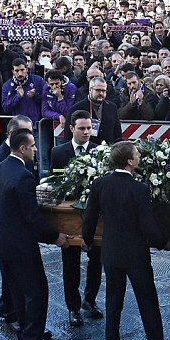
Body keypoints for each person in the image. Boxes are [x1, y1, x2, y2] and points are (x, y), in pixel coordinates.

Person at [82, 141, 170, 340]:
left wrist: (87, 241)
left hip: (111, 253)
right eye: (137, 155)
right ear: (130, 161)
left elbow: (89, 217)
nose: (140, 157)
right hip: (136, 256)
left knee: (113, 304)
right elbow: (147, 225)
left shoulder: (100, 184)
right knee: (148, 303)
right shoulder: (139, 189)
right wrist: (163, 243)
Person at [0, 129, 68, 340]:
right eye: (32, 146)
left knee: (18, 290)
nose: (35, 149)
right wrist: (54, 236)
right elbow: (31, 216)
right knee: (36, 289)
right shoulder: (23, 175)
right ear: (22, 148)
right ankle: (32, 338)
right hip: (19, 243)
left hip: (1, 241)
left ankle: (29, 330)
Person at [50, 110, 103, 327]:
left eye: (89, 128)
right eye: (82, 128)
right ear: (71, 128)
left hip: (95, 218)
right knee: (70, 264)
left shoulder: (99, 150)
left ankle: (90, 300)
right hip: (69, 217)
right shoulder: (59, 152)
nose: (87, 132)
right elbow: (54, 182)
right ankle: (73, 307)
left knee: (96, 260)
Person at [68, 76, 122, 145]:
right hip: (85, 152)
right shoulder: (76, 108)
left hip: (108, 151)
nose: (101, 93)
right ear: (90, 90)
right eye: (98, 90)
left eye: (103, 91)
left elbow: (117, 133)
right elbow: (68, 135)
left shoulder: (112, 107)